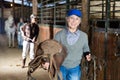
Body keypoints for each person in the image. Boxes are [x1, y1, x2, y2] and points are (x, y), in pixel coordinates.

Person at [54, 9, 91, 80]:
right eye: (71, 18)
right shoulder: (59, 35)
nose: (74, 21)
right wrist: (47, 61)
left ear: (79, 22)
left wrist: (87, 54)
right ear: (67, 19)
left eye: (77, 19)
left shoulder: (84, 36)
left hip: (75, 68)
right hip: (61, 67)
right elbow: (53, 49)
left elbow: (86, 47)